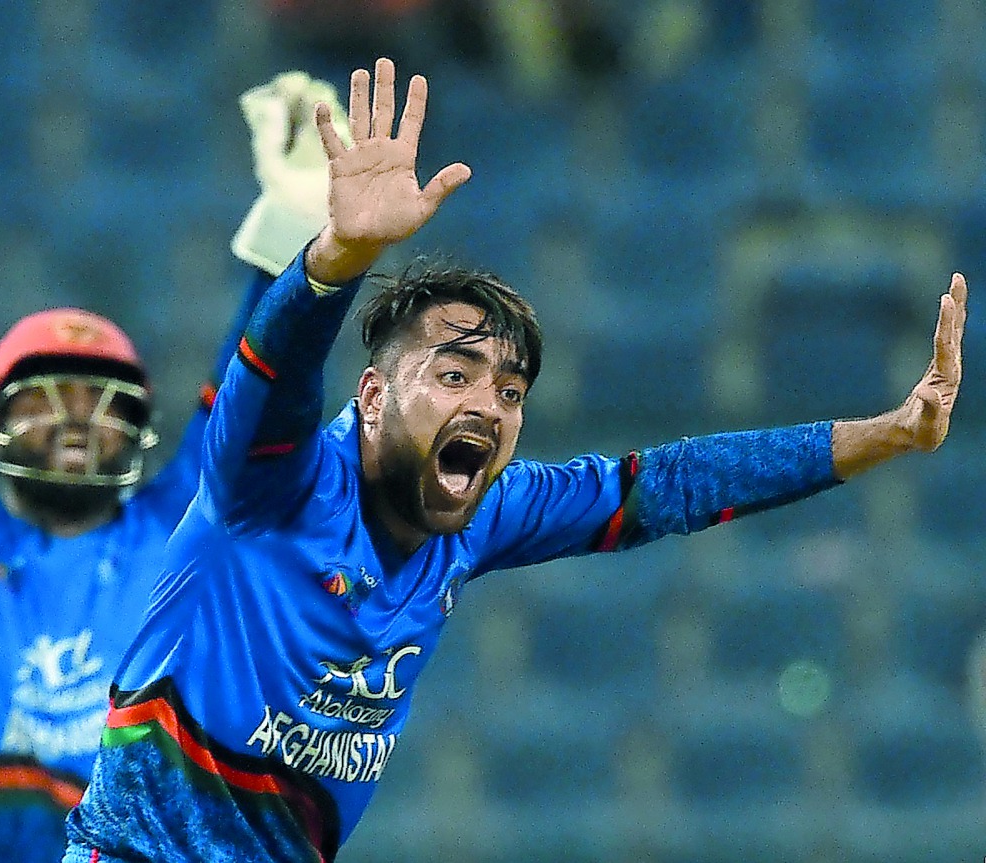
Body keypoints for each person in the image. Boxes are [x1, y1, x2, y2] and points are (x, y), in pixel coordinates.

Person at [63, 58, 968, 862]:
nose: (487, 406)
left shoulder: (482, 513)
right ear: (373, 397)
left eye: (509, 390)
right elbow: (274, 370)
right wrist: (337, 259)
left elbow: (676, 483)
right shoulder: (270, 485)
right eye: (454, 374)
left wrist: (892, 431)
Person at [0, 71, 349, 863]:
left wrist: (295, 236)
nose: (77, 418)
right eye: (44, 396)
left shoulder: (183, 533)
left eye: (101, 400)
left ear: (140, 429)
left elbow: (253, 391)